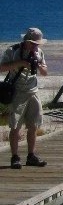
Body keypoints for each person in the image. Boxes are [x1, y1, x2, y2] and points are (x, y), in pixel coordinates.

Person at [1, 28, 48, 169]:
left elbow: (45, 72)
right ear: (26, 41)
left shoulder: (39, 52)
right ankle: (15, 157)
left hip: (33, 91)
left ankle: (31, 156)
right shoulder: (13, 51)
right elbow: (2, 67)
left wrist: (38, 65)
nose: (35, 46)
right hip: (18, 92)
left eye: (37, 43)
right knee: (15, 126)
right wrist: (20, 63)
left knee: (34, 125)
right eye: (33, 43)